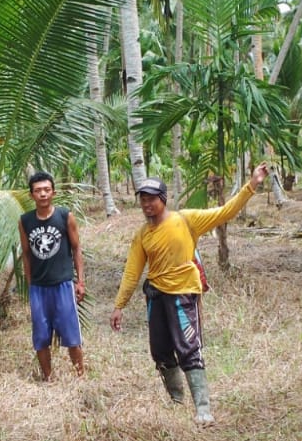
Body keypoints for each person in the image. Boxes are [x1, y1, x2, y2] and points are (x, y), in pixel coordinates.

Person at [110, 163, 270, 424]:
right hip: (156, 296)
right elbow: (132, 271)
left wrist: (251, 185)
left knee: (188, 347)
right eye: (143, 199)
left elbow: (225, 212)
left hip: (183, 293)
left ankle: (203, 408)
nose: (147, 204)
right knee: (160, 351)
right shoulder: (142, 235)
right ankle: (176, 401)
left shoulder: (185, 220)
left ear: (162, 200)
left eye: (152, 199)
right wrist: (119, 305)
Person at [19, 171, 85, 380]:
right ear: (31, 196)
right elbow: (27, 255)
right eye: (38, 191)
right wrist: (31, 286)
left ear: (53, 192)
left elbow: (76, 249)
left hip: (63, 285)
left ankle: (80, 375)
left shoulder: (65, 216)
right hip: (39, 288)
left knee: (72, 335)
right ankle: (49, 378)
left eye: (47, 190)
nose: (43, 194)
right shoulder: (25, 221)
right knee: (40, 337)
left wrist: (80, 282)